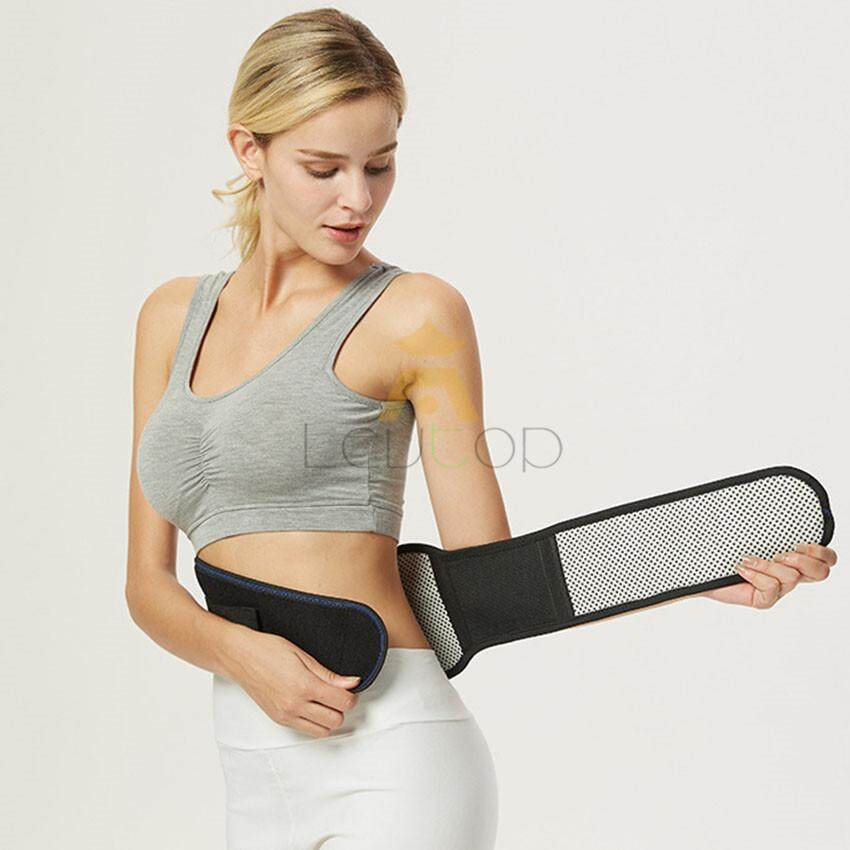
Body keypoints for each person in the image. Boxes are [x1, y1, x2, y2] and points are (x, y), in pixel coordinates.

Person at [126, 8, 838, 849]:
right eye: (323, 168)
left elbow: (490, 573)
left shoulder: (414, 314)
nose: (358, 199)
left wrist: (687, 571)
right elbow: (146, 585)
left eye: (380, 165)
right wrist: (241, 654)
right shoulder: (171, 317)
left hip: (394, 752)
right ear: (250, 150)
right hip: (253, 770)